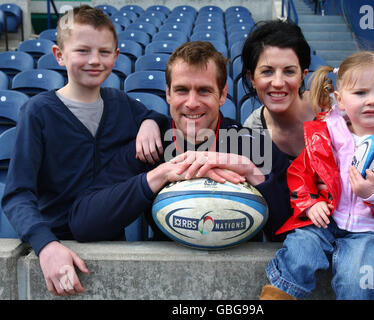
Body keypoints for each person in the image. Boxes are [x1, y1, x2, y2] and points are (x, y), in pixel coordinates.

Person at [1, 5, 166, 297]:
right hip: (55, 247)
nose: (94, 60)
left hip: (111, 244)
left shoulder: (121, 103)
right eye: (82, 51)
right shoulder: (38, 112)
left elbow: (160, 120)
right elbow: (17, 194)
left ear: (116, 57)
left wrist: (151, 122)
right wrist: (47, 246)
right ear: (59, 55)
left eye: (104, 52)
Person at [68, 41, 288, 243]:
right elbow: (83, 224)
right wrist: (157, 176)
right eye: (182, 90)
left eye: (204, 91)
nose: (192, 103)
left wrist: (254, 175)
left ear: (222, 95)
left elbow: (291, 233)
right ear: (168, 94)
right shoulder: (149, 146)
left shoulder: (254, 146)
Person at [260, 51, 374, 300]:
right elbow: (300, 173)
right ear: (340, 99)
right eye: (361, 93)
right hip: (325, 222)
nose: (372, 100)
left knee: (356, 276)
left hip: (371, 230)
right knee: (300, 250)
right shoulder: (326, 133)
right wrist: (310, 202)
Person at [241, 19, 374, 242]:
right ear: (251, 78)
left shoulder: (339, 112)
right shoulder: (251, 133)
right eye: (266, 71)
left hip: (358, 234)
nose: (278, 82)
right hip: (295, 239)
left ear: (304, 74)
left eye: (289, 71)